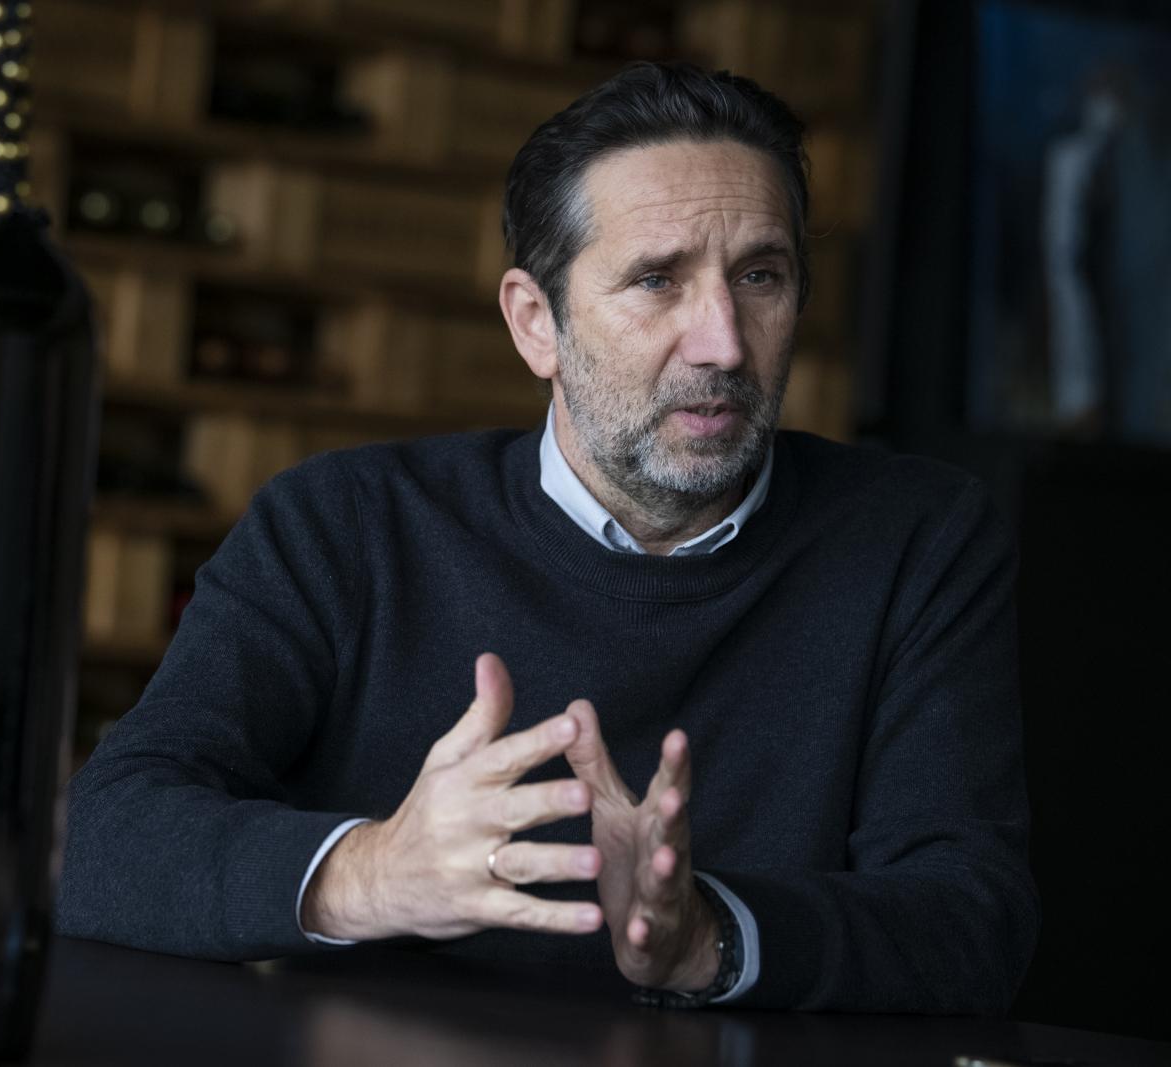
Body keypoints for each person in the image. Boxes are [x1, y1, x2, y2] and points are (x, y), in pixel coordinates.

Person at [57, 61, 1040, 1013]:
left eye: (760, 275)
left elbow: (972, 921)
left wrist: (707, 936)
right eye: (656, 280)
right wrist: (373, 872)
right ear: (536, 322)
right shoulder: (344, 524)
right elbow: (104, 839)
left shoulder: (918, 541)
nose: (724, 342)